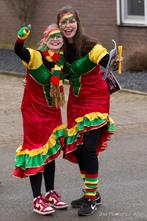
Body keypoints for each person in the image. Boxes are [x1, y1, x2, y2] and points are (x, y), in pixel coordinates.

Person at [57, 6, 116, 216]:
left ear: (77, 23)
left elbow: (105, 59)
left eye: (71, 21)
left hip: (96, 99)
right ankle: (92, 193)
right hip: (76, 102)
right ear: (59, 26)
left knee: (89, 147)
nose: (68, 25)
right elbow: (49, 69)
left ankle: (91, 199)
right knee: (80, 148)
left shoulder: (90, 44)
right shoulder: (60, 49)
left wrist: (112, 61)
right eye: (63, 22)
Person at [13, 23, 68, 215]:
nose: (56, 39)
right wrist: (21, 38)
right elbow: (18, 50)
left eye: (59, 37)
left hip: (52, 111)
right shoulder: (35, 57)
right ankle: (37, 198)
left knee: (49, 153)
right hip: (34, 112)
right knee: (36, 152)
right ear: (45, 40)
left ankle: (50, 192)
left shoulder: (60, 60)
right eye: (52, 37)